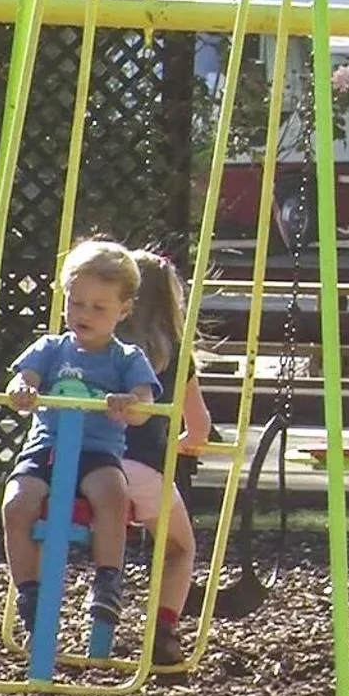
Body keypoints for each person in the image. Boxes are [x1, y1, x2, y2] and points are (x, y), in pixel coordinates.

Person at [2, 239, 160, 656]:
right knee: (17, 504)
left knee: (113, 495)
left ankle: (108, 578)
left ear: (123, 311)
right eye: (77, 303)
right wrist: (22, 389)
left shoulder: (126, 358)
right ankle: (30, 594)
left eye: (99, 307)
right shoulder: (50, 349)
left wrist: (131, 404)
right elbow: (24, 380)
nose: (84, 315)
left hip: (97, 452)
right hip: (47, 448)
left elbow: (146, 404)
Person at [116, 248, 214, 668]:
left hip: (88, 466)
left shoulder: (100, 348)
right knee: (178, 547)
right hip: (143, 470)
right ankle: (163, 628)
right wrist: (186, 443)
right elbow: (199, 426)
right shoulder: (175, 353)